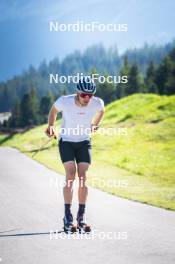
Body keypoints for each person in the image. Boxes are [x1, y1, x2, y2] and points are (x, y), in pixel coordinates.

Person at [45, 77, 105, 233]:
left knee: (83, 176)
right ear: (77, 92)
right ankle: (67, 217)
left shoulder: (96, 102)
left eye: (90, 95)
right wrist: (51, 126)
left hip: (84, 142)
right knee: (71, 175)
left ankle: (81, 217)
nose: (87, 98)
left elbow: (101, 110)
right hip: (67, 142)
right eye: (84, 95)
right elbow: (53, 110)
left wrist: (95, 125)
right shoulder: (65, 101)